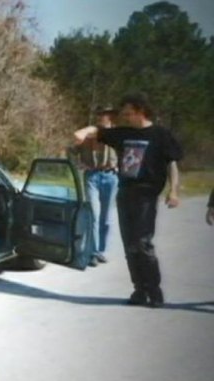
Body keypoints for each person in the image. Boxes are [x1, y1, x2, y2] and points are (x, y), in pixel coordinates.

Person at [74, 93, 183, 307]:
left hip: (147, 193)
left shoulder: (160, 134)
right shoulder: (124, 133)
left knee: (143, 243)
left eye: (129, 113)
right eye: (124, 114)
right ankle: (139, 290)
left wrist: (174, 191)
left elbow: (172, 164)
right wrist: (85, 130)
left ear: (141, 110)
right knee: (130, 245)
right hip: (125, 192)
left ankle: (154, 291)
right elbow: (100, 132)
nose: (125, 117)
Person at [69, 105, 119, 266]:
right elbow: (72, 148)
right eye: (101, 114)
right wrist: (78, 164)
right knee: (94, 216)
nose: (103, 117)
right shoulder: (88, 135)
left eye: (107, 114)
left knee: (106, 219)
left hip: (111, 176)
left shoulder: (118, 135)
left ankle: (101, 251)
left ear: (112, 117)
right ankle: (93, 252)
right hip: (92, 176)